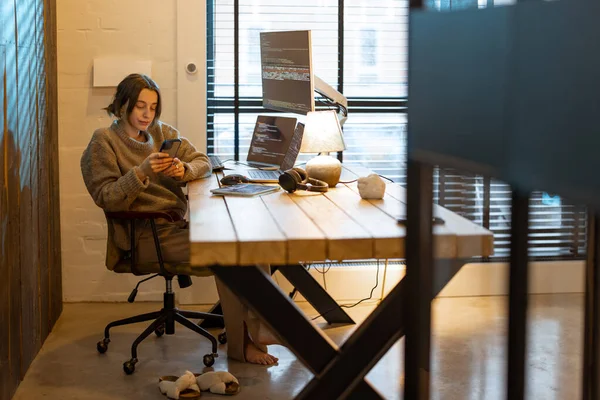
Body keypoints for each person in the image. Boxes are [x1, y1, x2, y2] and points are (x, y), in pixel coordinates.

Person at [80, 73, 279, 365]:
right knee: (228, 254)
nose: (147, 114)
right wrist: (142, 173)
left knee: (250, 244)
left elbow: (203, 160)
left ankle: (258, 329)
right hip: (144, 236)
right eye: (139, 106)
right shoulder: (104, 141)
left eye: (153, 106)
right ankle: (244, 343)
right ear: (122, 105)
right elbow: (106, 197)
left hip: (175, 227)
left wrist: (183, 170)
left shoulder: (161, 132)